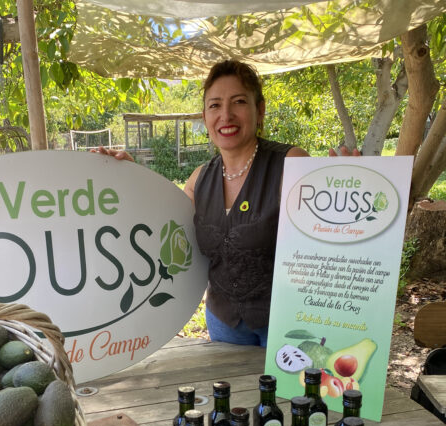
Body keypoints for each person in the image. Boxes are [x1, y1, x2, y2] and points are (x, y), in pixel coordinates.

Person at [95, 59, 358, 347]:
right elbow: (164, 226)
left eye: (239, 102)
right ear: (205, 116)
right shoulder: (199, 179)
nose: (226, 115)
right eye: (215, 105)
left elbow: (331, 237)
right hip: (223, 323)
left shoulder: (290, 163)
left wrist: (351, 192)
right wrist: (132, 179)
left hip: (287, 321)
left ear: (260, 110)